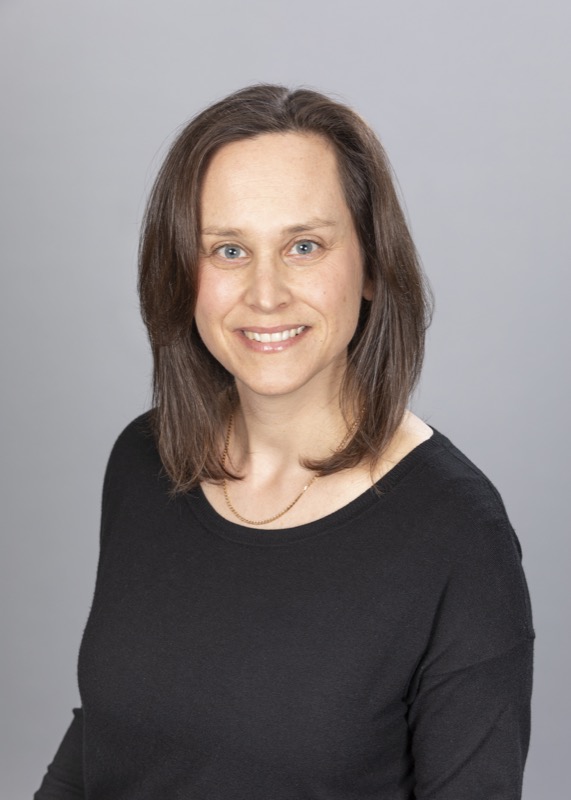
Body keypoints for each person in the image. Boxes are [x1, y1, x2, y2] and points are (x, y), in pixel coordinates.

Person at [35, 84, 534, 799]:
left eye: (303, 246)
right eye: (228, 249)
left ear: (370, 265)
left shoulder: (456, 533)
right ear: (183, 274)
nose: (264, 294)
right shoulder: (145, 461)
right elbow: (105, 739)